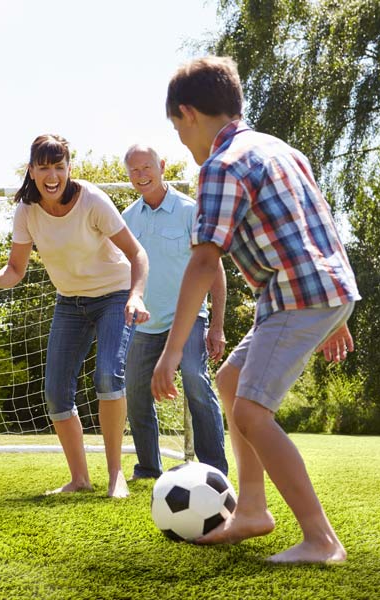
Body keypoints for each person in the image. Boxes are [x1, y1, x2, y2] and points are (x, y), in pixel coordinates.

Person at [151, 56, 360, 563]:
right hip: (319, 289)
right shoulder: (278, 148)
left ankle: (321, 539)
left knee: (250, 411)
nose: (182, 140)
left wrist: (171, 351)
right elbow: (321, 221)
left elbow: (204, 262)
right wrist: (339, 310)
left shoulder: (219, 167)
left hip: (298, 294)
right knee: (230, 382)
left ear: (188, 114)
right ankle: (251, 511)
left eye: (178, 129)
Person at [0, 134, 150, 498]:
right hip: (70, 302)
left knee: (107, 374)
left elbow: (138, 255)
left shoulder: (92, 201)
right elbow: (15, 271)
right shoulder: (26, 211)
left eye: (59, 166)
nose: (52, 175)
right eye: (44, 167)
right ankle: (79, 478)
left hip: (114, 297)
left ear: (70, 169)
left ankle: (116, 474)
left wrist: (135, 296)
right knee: (55, 393)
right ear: (32, 170)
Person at [121, 144, 229, 479]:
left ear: (162, 166)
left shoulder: (189, 210)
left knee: (196, 382)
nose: (141, 176)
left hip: (190, 319)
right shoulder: (126, 219)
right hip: (144, 325)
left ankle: (215, 471)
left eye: (147, 167)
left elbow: (216, 270)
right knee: (136, 393)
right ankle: (148, 468)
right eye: (134, 171)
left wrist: (218, 326)